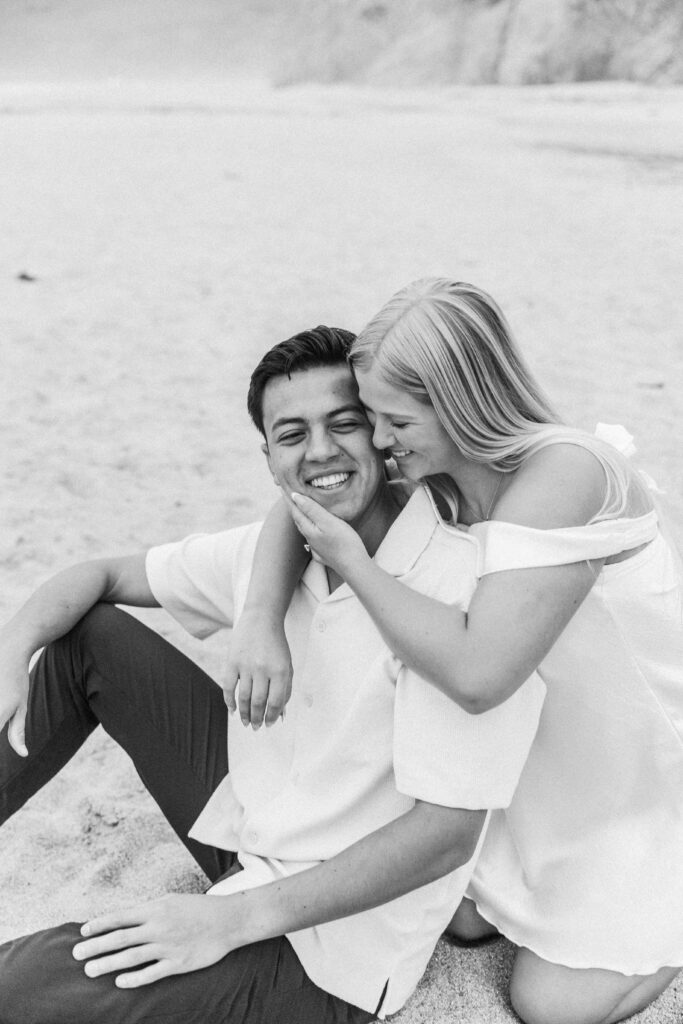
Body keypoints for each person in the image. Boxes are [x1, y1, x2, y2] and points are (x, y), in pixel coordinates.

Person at [0, 325, 546, 1024]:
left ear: (381, 431)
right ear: (268, 457)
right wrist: (12, 653)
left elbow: (445, 837)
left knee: (21, 986)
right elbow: (97, 574)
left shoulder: (457, 590)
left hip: (331, 952)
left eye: (342, 424)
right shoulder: (275, 550)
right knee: (89, 635)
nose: (319, 451)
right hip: (248, 833)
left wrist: (226, 922)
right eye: (292, 435)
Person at [232, 281, 683, 1024]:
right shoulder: (440, 466)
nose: (377, 441)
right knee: (463, 920)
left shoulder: (565, 472)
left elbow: (479, 677)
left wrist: (355, 564)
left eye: (394, 420)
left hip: (640, 762)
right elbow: (303, 493)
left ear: (458, 403)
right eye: (370, 417)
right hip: (546, 755)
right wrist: (259, 617)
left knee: (551, 1007)